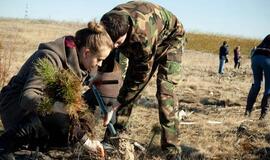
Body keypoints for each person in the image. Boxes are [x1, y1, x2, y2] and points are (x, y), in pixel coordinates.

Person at [0, 21, 113, 159]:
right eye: (99, 59)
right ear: (86, 52)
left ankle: (63, 144)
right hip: (16, 110)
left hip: (41, 111)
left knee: (85, 107)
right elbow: (28, 98)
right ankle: (8, 147)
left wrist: (108, 105)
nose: (100, 64)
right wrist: (62, 109)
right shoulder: (49, 58)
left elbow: (99, 83)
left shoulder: (80, 61)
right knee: (62, 114)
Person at [98, 1, 185, 159]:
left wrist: (119, 100)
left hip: (171, 41)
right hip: (148, 32)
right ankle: (114, 139)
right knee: (120, 85)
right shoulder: (107, 22)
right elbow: (106, 52)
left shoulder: (142, 38)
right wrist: (98, 74)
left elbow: (138, 78)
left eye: (118, 43)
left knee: (165, 94)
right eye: (112, 43)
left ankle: (172, 151)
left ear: (127, 32)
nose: (115, 47)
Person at [245, 34, 270, 120]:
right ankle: (263, 116)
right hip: (268, 59)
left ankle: (248, 111)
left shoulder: (266, 38)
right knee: (268, 88)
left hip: (255, 57)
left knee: (256, 84)